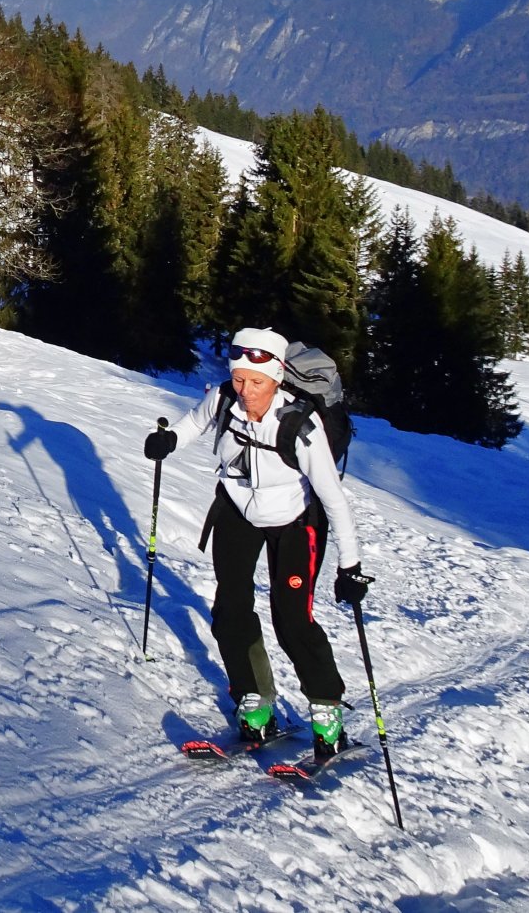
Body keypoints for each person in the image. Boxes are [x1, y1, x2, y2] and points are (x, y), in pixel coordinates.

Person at [147, 326, 369, 761]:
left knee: (292, 618)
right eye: (239, 379)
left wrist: (351, 566)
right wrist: (169, 439)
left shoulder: (299, 425)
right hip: (236, 509)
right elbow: (196, 421)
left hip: (295, 521)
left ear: (277, 378)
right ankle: (254, 701)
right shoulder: (224, 398)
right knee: (230, 608)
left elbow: (333, 498)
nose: (246, 390)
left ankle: (326, 709)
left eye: (257, 382)